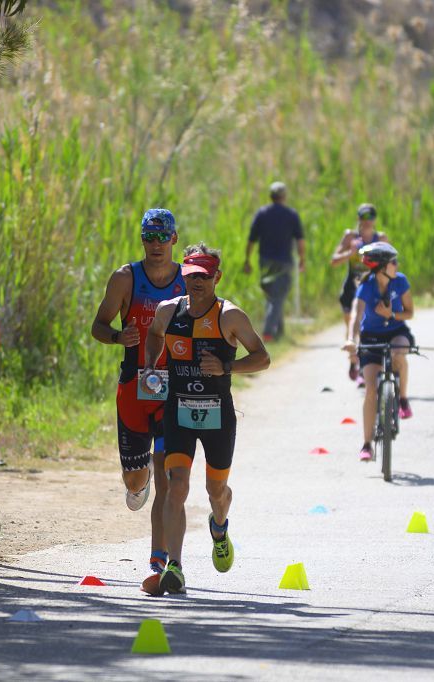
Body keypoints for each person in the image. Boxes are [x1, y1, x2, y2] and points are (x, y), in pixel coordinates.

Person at [140, 243, 270, 595]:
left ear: (217, 277)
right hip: (178, 412)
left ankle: (220, 526)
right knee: (176, 485)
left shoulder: (230, 316)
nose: (197, 282)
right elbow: (153, 336)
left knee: (216, 491)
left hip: (218, 418)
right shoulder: (168, 311)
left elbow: (262, 357)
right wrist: (152, 364)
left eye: (204, 275)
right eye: (191, 275)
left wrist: (228, 366)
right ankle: (175, 566)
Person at [91, 208, 184, 580]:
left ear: (175, 239)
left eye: (163, 237)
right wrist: (117, 336)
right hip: (133, 389)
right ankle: (137, 478)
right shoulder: (125, 279)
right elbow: (98, 325)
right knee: (136, 479)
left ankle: (158, 558)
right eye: (150, 237)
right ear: (141, 239)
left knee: (167, 473)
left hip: (170, 390)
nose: (156, 244)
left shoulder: (187, 280)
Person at [341, 242, 416, 462]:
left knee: (399, 351)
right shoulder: (366, 286)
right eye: (393, 262)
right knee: (371, 389)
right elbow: (356, 315)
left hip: (396, 331)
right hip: (371, 337)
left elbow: (410, 312)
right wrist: (350, 340)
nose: (397, 265)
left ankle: (402, 399)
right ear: (382, 266)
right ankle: (366, 444)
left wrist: (392, 314)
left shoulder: (400, 281)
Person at [330, 203, 387, 381]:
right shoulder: (350, 236)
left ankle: (364, 367)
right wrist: (350, 252)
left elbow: (391, 263)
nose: (367, 222)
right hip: (351, 288)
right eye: (363, 217)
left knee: (366, 327)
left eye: (370, 218)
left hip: (371, 287)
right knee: (351, 327)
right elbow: (334, 260)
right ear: (358, 218)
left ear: (375, 219)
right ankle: (353, 361)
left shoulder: (381, 238)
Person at [244, 181, 305, 341]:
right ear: (284, 196)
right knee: (277, 297)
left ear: (271, 196)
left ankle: (280, 333)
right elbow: (300, 240)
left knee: (272, 296)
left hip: (265, 262)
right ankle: (268, 332)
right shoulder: (291, 214)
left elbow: (251, 240)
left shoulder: (262, 213)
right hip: (284, 261)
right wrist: (302, 259)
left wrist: (247, 260)